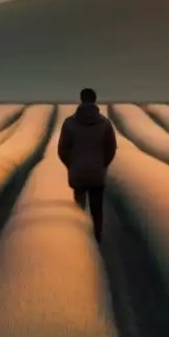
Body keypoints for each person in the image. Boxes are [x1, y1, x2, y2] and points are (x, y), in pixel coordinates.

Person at [57, 88, 117, 242]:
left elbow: (62, 150)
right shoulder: (104, 124)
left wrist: (72, 165)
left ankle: (80, 243)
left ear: (81, 99)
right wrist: (102, 164)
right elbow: (111, 149)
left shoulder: (69, 123)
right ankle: (97, 239)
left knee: (78, 209)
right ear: (95, 100)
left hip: (78, 173)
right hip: (97, 172)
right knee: (97, 210)